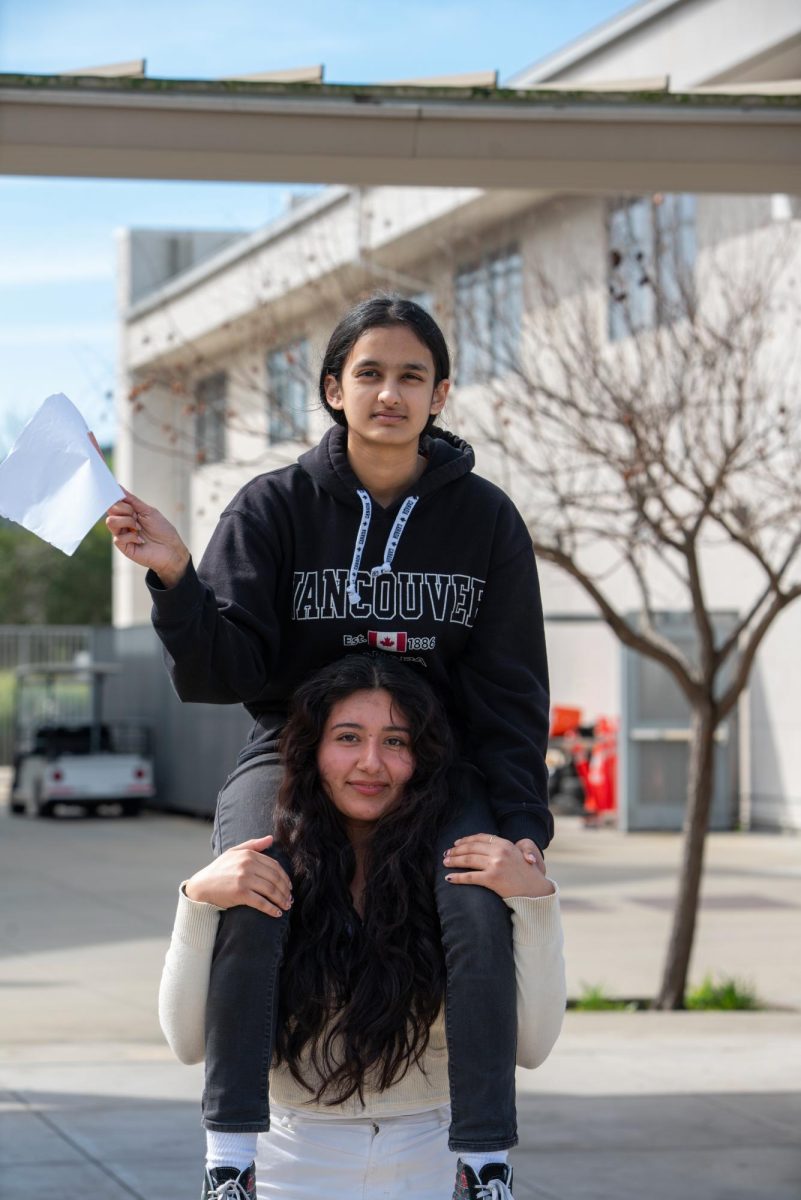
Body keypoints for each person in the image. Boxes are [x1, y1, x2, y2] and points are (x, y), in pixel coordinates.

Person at [106, 295, 552, 1196]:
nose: (390, 392)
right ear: (333, 390)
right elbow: (220, 670)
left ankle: (483, 1159)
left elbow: (509, 690)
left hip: (432, 758)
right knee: (255, 874)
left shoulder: (485, 520)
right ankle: (231, 1157)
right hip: (293, 746)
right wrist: (175, 578)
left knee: (470, 891)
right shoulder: (273, 506)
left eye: (411, 376)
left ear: (441, 395)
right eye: (370, 374)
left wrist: (521, 826)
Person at [159, 655, 565, 1200]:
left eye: (396, 742)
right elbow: (187, 1044)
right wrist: (198, 902)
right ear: (312, 750)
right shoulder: (265, 857)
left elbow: (532, 1047)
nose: (371, 763)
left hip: (435, 1156)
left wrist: (533, 899)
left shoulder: (457, 872)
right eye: (348, 737)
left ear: (421, 758)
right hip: (287, 1159)